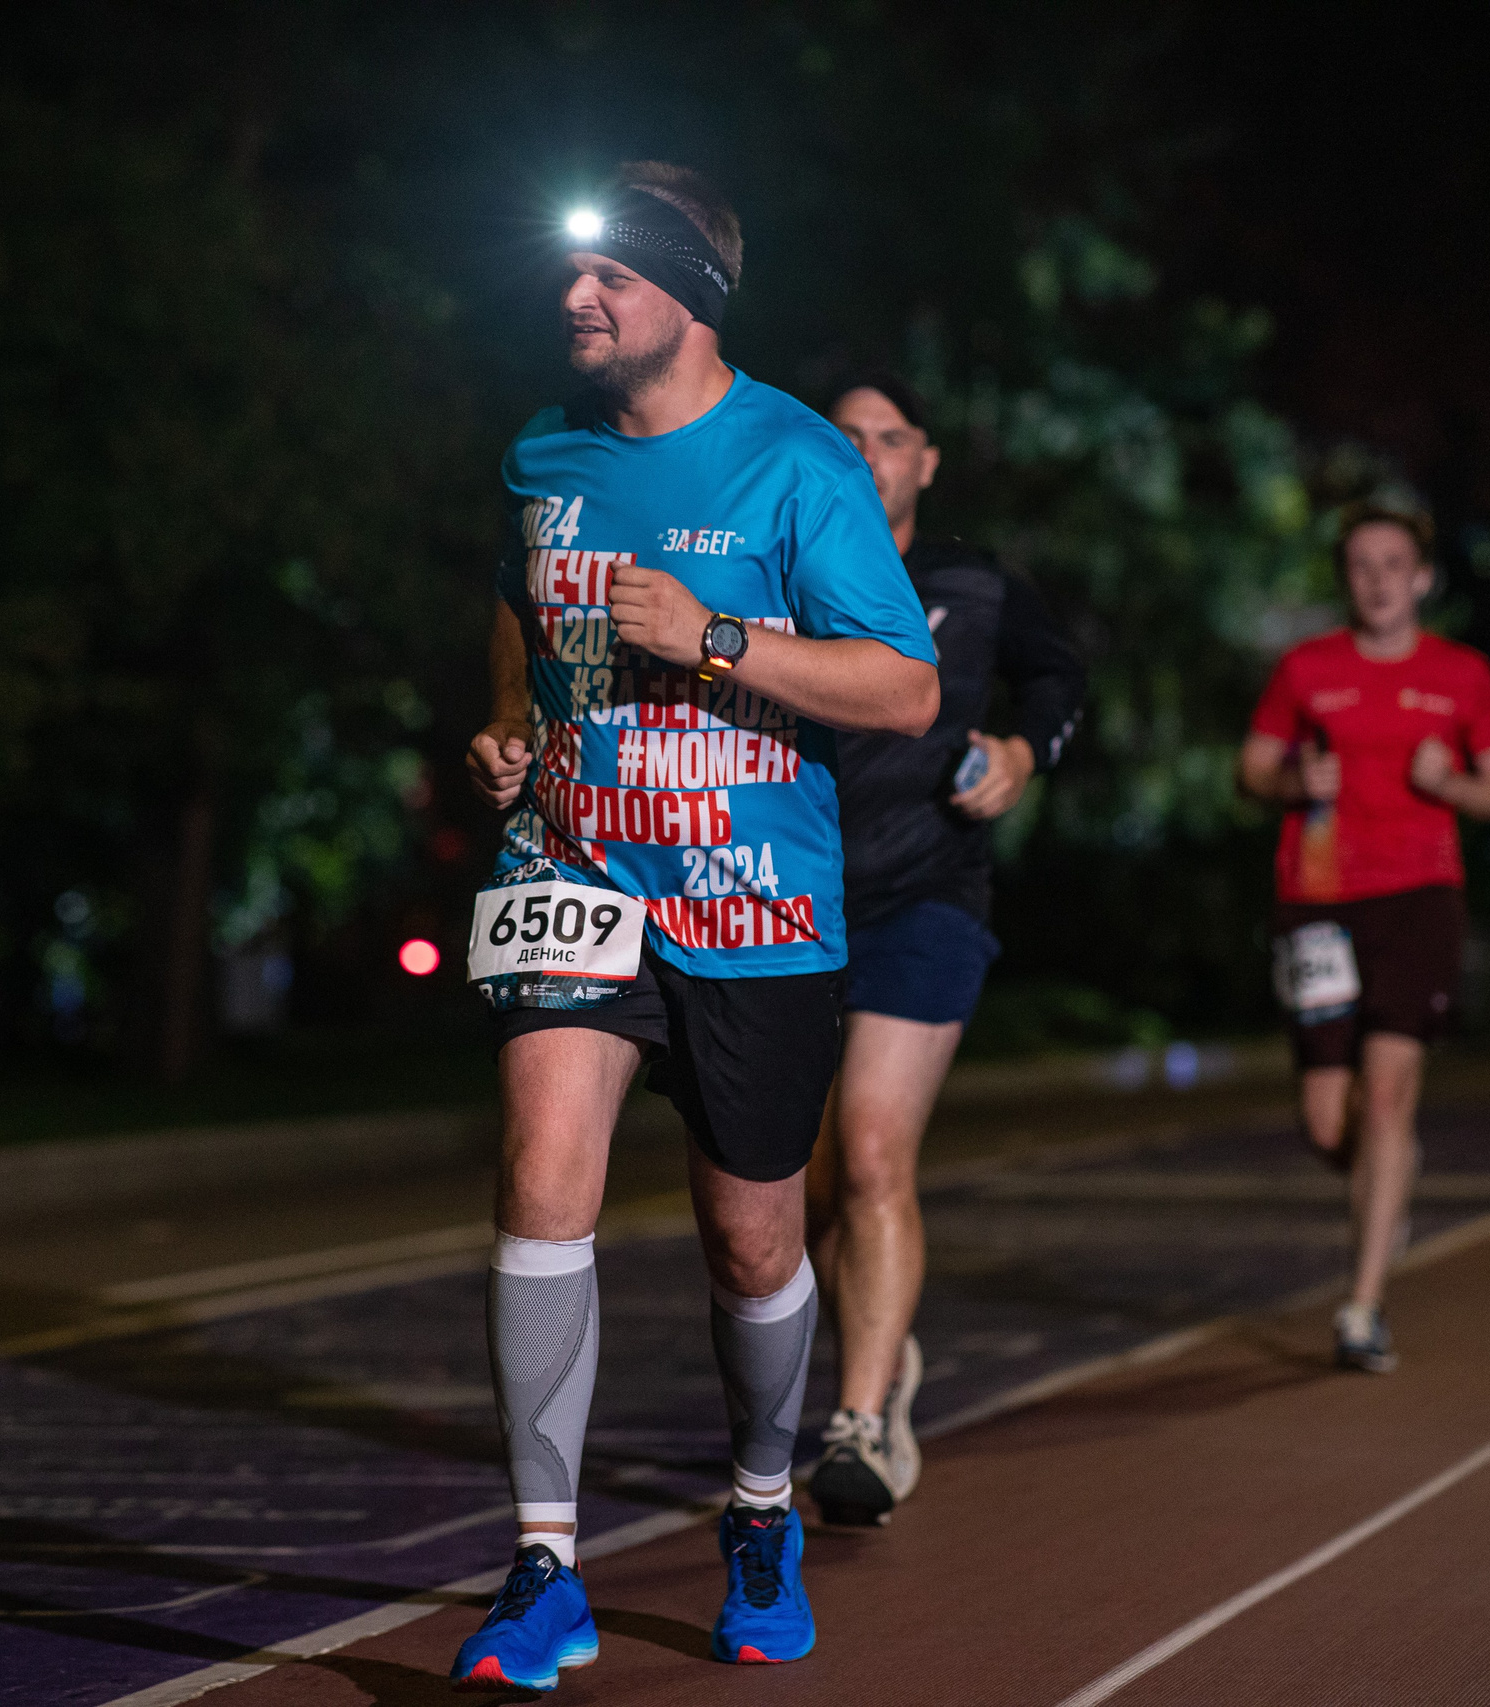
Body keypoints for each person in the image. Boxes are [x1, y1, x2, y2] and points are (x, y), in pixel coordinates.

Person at [453, 163, 939, 1691]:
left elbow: (905, 686)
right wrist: (514, 716)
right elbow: (521, 597)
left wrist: (716, 635)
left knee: (753, 1235)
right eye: (569, 273)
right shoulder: (546, 447)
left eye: (609, 275)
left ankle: (760, 1508)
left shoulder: (798, 460)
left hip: (757, 902)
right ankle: (544, 1563)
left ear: (691, 291)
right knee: (543, 1176)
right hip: (578, 872)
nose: (574, 299)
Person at [801, 374, 1084, 1527]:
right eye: (847, 436)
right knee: (806, 1192)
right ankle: (887, 1354)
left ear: (923, 462)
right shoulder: (779, 569)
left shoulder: (974, 581)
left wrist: (1019, 753)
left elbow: (1058, 677)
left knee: (873, 1152)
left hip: (928, 895)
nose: (867, 453)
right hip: (789, 903)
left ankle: (860, 1421)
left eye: (890, 437)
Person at [1236, 501, 1490, 1373]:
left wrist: (1453, 783)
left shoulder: (1461, 674)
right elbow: (1251, 767)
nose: (1378, 580)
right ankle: (1387, 1177)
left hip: (1418, 896)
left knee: (1390, 1093)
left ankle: (1362, 1307)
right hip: (1318, 899)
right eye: (1362, 565)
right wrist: (1293, 780)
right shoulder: (1306, 668)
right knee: (1329, 1121)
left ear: (1422, 577)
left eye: (1394, 563)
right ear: (1346, 579)